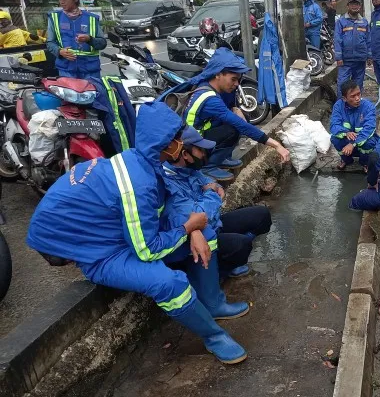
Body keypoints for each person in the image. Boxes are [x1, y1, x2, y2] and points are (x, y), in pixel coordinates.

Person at [26, 102, 249, 365]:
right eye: (177, 138)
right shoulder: (138, 184)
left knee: (207, 232)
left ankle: (213, 304)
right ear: (165, 143)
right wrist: (188, 227)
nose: (182, 142)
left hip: (112, 231)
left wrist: (195, 228)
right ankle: (213, 336)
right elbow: (146, 249)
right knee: (169, 284)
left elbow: (163, 210)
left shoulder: (143, 161)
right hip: (99, 250)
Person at [161, 127, 273, 280]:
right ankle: (215, 272)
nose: (204, 154)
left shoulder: (189, 168)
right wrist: (211, 193)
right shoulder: (168, 182)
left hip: (213, 224)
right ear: (185, 154)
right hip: (194, 239)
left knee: (262, 215)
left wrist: (215, 187)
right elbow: (200, 216)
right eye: (200, 150)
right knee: (242, 245)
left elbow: (207, 181)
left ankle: (229, 255)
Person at [167, 48, 290, 182]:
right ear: (218, 74)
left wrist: (235, 108)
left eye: (238, 80)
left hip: (197, 134)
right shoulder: (210, 99)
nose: (236, 84)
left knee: (242, 118)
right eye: (233, 79)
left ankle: (220, 158)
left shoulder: (206, 85)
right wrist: (276, 145)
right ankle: (208, 165)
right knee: (234, 127)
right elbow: (240, 125)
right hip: (192, 145)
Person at [46, 0, 107, 79]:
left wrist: (89, 39)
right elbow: (49, 42)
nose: (61, 2)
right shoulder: (54, 17)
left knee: (92, 92)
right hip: (66, 70)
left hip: (90, 71)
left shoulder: (91, 18)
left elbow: (102, 43)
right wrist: (59, 51)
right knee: (69, 92)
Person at [331, 80, 379, 170]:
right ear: (344, 98)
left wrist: (353, 144)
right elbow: (334, 126)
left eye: (358, 94)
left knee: (370, 142)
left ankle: (365, 162)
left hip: (362, 142)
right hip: (347, 143)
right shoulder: (338, 106)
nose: (357, 98)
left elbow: (369, 128)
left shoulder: (368, 107)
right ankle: (346, 160)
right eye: (353, 96)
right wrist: (346, 133)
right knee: (335, 139)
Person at [335, 0, 370, 96]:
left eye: (356, 4)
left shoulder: (364, 22)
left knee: (358, 86)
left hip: (360, 60)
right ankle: (341, 108)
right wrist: (338, 57)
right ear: (348, 6)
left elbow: (369, 40)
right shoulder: (341, 22)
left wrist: (369, 56)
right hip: (345, 61)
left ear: (360, 6)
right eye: (352, 4)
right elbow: (337, 40)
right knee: (342, 85)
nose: (354, 6)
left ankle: (356, 108)